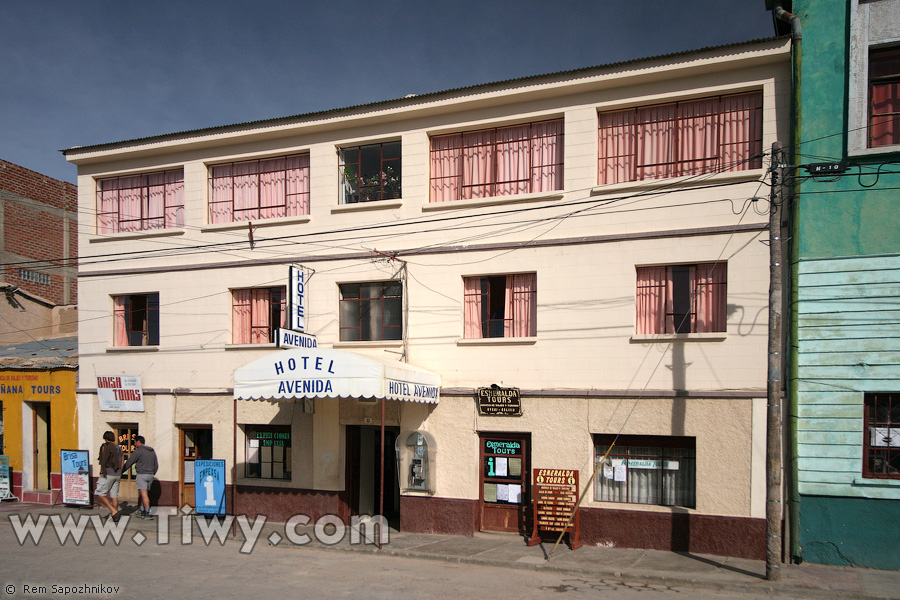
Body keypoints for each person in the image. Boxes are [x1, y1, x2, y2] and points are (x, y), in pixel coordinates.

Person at [121, 435, 158, 519]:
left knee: (144, 494)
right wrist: (152, 473)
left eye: (134, 442)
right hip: (150, 475)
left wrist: (122, 471)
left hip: (142, 474)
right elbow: (156, 465)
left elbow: (130, 462)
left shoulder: (138, 451)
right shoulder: (152, 451)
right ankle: (141, 509)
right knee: (143, 493)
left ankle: (147, 512)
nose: (134, 444)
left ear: (138, 442)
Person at [95, 431, 122, 522]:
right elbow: (122, 462)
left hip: (108, 473)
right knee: (114, 495)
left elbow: (103, 460)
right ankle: (115, 517)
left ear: (106, 439)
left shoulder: (105, 447)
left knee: (100, 492)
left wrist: (102, 471)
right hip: (117, 473)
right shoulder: (119, 448)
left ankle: (113, 511)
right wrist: (120, 471)